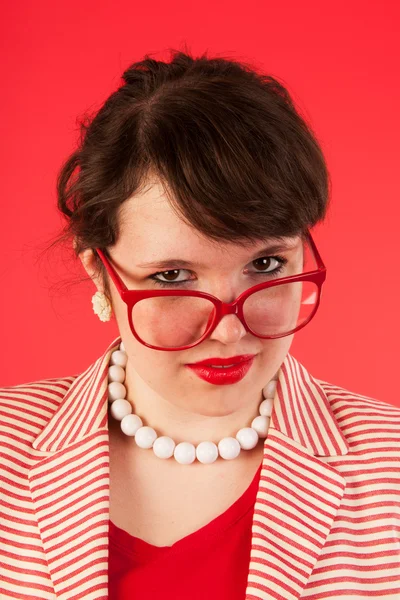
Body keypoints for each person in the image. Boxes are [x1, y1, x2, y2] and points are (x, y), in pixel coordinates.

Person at [1, 49, 399, 600]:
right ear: (98, 272)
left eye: (265, 264)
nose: (228, 329)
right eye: (171, 275)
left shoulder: (390, 463)